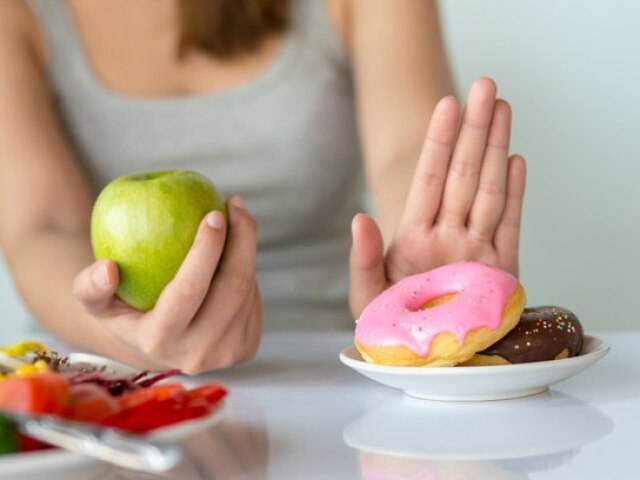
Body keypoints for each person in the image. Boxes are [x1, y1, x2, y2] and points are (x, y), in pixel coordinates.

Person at [0, 0, 525, 374]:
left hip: (331, 375)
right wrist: (125, 338)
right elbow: (41, 226)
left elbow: (405, 151)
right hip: (105, 383)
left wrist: (424, 257)